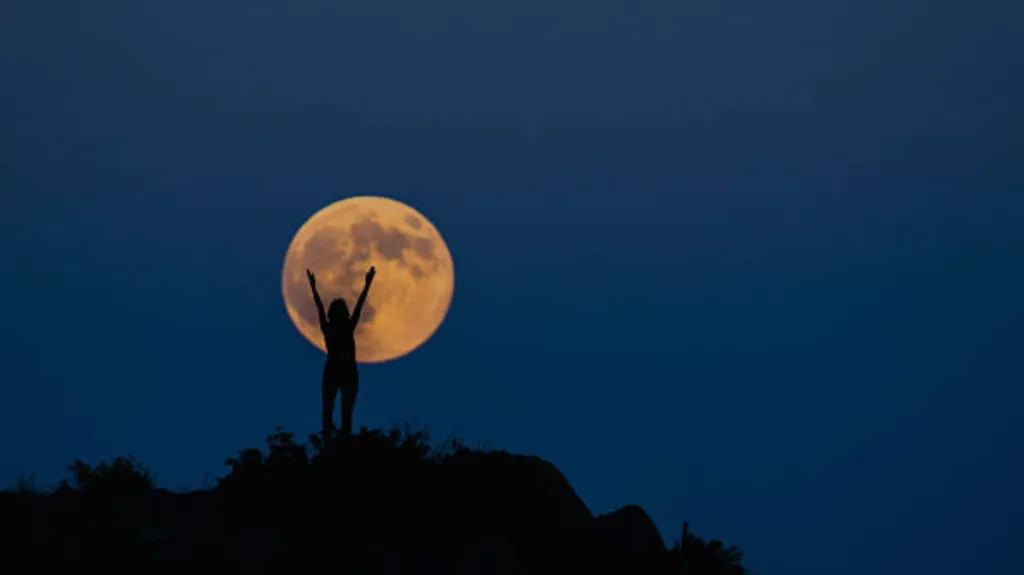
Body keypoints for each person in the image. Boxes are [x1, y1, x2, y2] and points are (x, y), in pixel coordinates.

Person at [307, 265, 376, 443]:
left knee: (343, 412)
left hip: (345, 373)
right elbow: (320, 309)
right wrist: (313, 288)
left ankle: (339, 441)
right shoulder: (335, 329)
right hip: (337, 372)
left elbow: (358, 305)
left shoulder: (342, 328)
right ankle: (332, 440)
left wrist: (368, 284)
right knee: (335, 411)